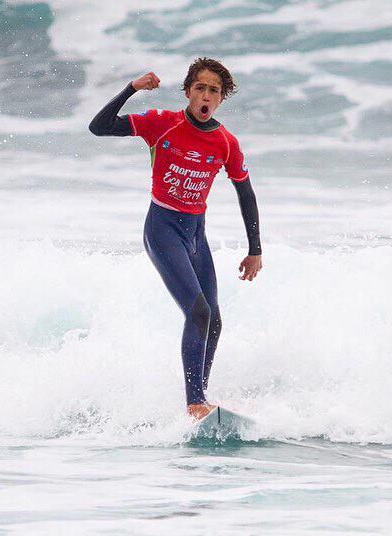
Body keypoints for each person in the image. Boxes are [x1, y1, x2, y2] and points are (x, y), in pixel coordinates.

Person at [89, 57, 262, 420]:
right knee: (197, 311)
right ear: (187, 92)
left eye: (213, 90)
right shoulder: (162, 124)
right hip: (163, 229)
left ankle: (200, 398)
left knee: (213, 319)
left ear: (220, 99)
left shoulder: (226, 143)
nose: (205, 95)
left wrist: (254, 250)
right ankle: (195, 402)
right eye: (199, 87)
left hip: (196, 234)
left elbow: (245, 192)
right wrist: (132, 89)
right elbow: (98, 127)